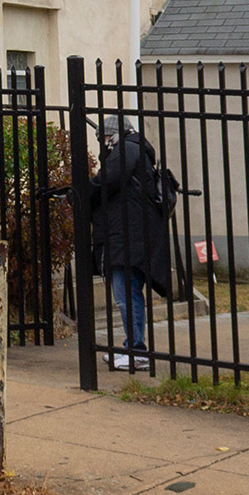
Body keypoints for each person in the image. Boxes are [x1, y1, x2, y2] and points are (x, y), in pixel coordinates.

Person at [90, 113, 173, 370]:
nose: (103, 143)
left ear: (113, 135)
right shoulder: (135, 149)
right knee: (128, 292)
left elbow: (106, 181)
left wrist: (81, 191)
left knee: (126, 294)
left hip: (128, 237)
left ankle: (137, 351)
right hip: (130, 235)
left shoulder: (126, 150)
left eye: (103, 138)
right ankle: (133, 346)